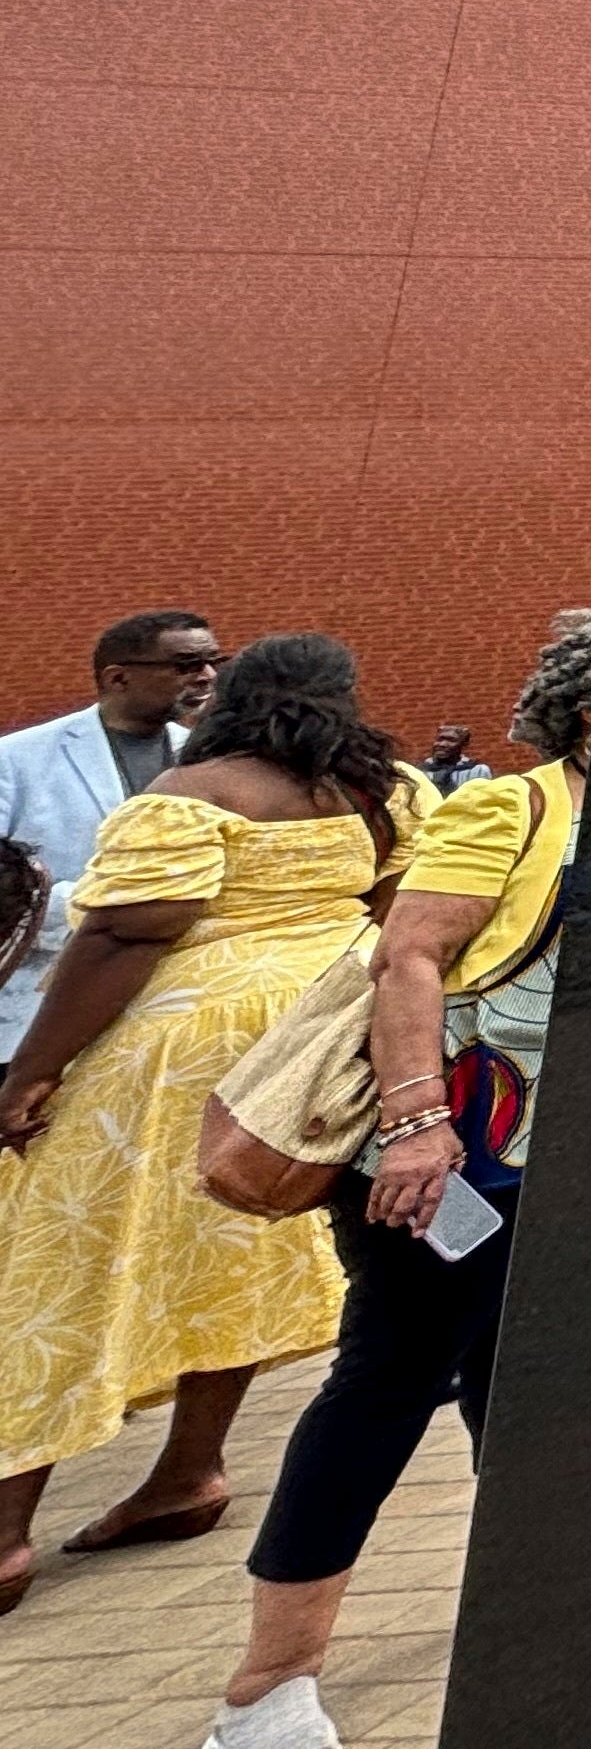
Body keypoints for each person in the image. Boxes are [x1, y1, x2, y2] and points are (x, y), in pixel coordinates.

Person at [205, 615, 591, 1749]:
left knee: (516, 1381)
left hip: (556, 1160)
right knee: (388, 1383)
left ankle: (532, 1602)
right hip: (448, 1159)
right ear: (590, 713)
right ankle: (263, 1695)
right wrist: (420, 1125)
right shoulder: (511, 808)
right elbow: (410, 956)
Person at [0, 634, 427, 1617]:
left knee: (56, 1263)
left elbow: (121, 935)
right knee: (232, 1246)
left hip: (185, 1045)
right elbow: (394, 907)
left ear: (233, 697)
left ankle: (6, 1533)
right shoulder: (388, 788)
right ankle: (189, 1472)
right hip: (321, 1036)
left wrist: (31, 1071)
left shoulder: (191, 798)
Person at [0, 609, 225, 1057]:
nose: (207, 676)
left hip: (168, 1007)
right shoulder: (16, 759)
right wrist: (108, 907)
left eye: (213, 660)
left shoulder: (209, 759)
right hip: (38, 1004)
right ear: (118, 678)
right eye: (187, 664)